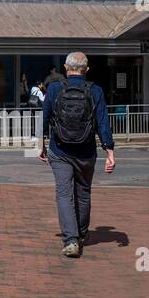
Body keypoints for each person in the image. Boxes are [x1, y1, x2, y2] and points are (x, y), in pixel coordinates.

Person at [39, 51, 116, 258]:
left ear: (65, 67)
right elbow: (102, 123)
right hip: (86, 151)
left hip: (60, 149)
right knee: (83, 192)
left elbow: (44, 119)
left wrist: (41, 145)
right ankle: (81, 233)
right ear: (87, 70)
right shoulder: (96, 91)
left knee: (64, 194)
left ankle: (70, 240)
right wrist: (110, 151)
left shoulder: (55, 89)